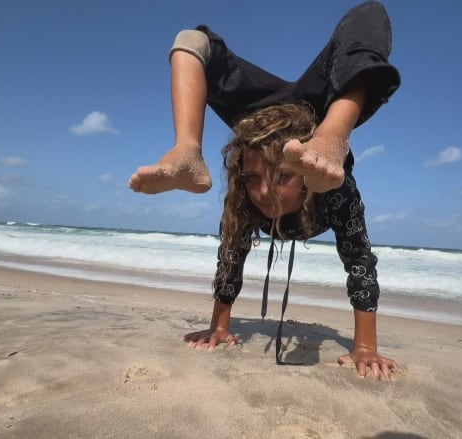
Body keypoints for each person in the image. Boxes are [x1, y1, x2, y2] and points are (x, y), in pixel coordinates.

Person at [129, 1, 401, 380]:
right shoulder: (245, 192)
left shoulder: (334, 190)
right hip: (260, 122)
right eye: (253, 179)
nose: (263, 193)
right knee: (192, 41)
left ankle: (332, 137)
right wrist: (219, 326)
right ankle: (187, 148)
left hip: (314, 124)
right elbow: (231, 254)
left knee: (369, 15)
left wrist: (366, 348)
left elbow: (359, 261)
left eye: (281, 179)